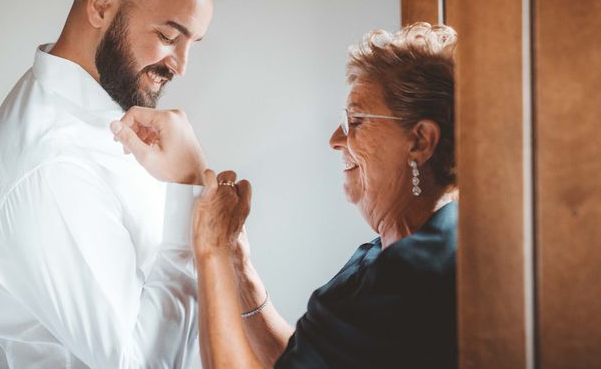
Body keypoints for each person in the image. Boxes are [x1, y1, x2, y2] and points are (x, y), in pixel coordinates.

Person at [112, 22, 459, 368]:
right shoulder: (378, 255)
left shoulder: (417, 275)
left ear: (420, 141)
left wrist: (211, 250)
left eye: (356, 121)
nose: (336, 139)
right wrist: (238, 268)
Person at [0, 0, 219, 368]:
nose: (180, 66)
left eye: (191, 44)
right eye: (169, 36)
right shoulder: (50, 167)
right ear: (101, 6)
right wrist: (189, 192)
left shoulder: (99, 110)